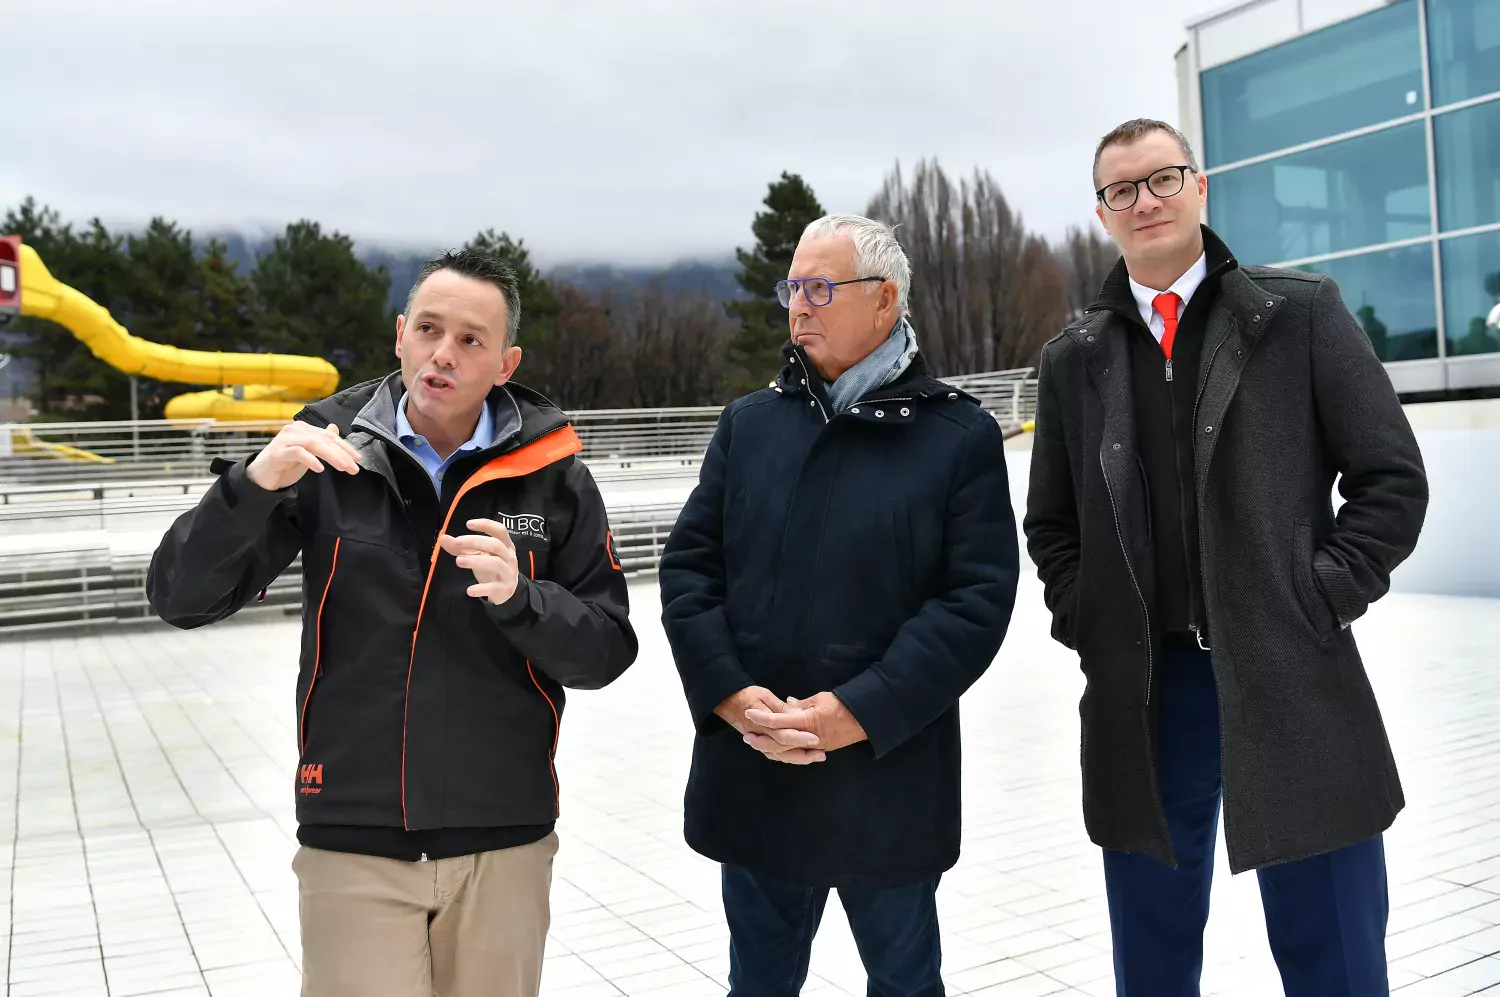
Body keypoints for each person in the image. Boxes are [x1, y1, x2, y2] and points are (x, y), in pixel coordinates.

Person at [147, 249, 638, 997]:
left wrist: (522, 598)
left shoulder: (554, 472)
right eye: (430, 329)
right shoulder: (323, 452)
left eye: (472, 340)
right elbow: (181, 594)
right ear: (400, 334)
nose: (444, 353)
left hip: (501, 839)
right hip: (353, 838)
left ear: (506, 363)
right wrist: (250, 484)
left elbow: (606, 649)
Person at [1024, 118, 1428, 996]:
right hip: (1145, 692)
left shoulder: (1299, 313)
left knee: (1338, 950)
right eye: (1121, 190)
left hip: (1292, 671)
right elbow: (1051, 526)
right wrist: (1087, 617)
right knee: (1153, 954)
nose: (1146, 201)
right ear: (1104, 214)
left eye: (1162, 178)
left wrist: (1318, 594)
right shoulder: (1072, 360)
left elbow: (1391, 480)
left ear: (1199, 187)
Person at [660, 213, 1019, 997]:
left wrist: (855, 712)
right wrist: (727, 694)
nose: (799, 306)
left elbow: (976, 602)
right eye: (793, 287)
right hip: (758, 770)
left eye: (821, 288)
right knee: (756, 982)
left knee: (903, 981)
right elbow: (689, 570)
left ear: (886, 300)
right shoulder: (750, 426)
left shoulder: (958, 437)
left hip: (884, 775)